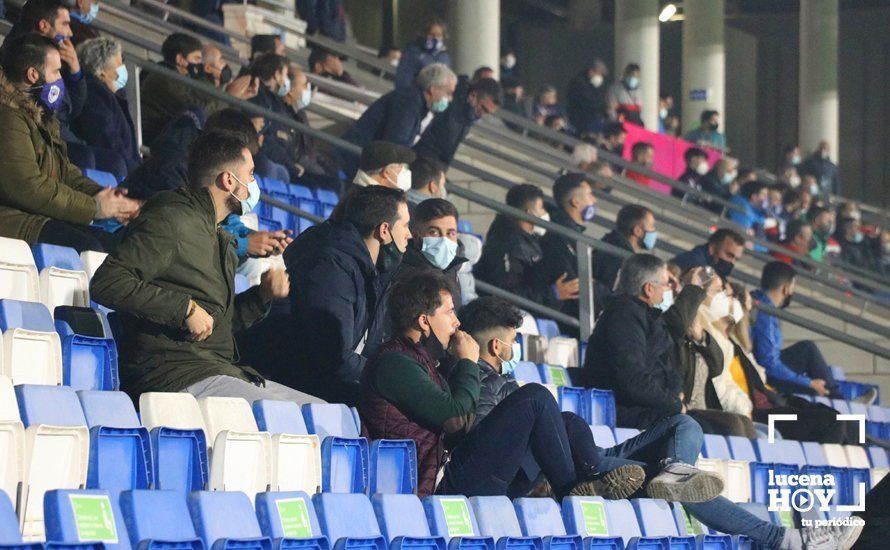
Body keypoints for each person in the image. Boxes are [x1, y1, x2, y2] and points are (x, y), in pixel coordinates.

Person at [90, 130, 321, 404]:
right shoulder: (172, 220)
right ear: (227, 180)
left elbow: (216, 325)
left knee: (325, 416)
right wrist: (183, 309)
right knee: (291, 419)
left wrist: (262, 296)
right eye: (250, 175)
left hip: (215, 368)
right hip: (173, 374)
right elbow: (107, 282)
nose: (253, 184)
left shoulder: (217, 234)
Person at [0, 33, 138, 252]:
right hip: (15, 221)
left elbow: (66, 172)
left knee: (117, 247)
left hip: (41, 215)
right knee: (91, 248)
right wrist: (93, 208)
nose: (60, 80)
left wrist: (104, 197)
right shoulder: (7, 118)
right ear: (33, 75)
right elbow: (27, 186)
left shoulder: (41, 117)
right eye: (55, 71)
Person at [282, 186, 411, 405]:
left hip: (322, 385)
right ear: (384, 230)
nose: (409, 234)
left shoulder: (370, 271)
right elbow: (335, 356)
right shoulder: (332, 267)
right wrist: (390, 379)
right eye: (406, 225)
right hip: (299, 383)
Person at [724, 282, 860, 445]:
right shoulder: (723, 345)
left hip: (774, 400)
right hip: (762, 413)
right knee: (832, 422)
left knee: (852, 425)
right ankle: (822, 469)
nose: (752, 315)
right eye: (749, 309)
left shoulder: (743, 349)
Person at [584, 254, 706, 429]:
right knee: (697, 427)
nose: (668, 291)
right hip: (623, 411)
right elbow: (632, 379)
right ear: (649, 289)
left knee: (732, 425)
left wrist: (676, 395)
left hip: (650, 408)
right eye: (665, 284)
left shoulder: (646, 317)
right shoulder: (624, 316)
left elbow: (667, 366)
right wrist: (674, 403)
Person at [750, 262, 858, 402]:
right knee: (808, 351)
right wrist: (809, 383)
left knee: (807, 353)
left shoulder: (758, 299)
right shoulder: (765, 313)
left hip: (763, 370)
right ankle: (840, 401)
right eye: (793, 286)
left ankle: (841, 397)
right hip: (765, 378)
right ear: (786, 289)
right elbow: (769, 363)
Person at [140, 33, 256, 147]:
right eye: (196, 59)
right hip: (154, 136)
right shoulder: (165, 79)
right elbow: (199, 111)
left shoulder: (182, 78)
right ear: (180, 59)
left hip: (168, 133)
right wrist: (228, 97)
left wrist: (231, 98)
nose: (200, 64)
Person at [475, 184, 579, 310]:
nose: (545, 214)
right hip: (508, 311)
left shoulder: (528, 238)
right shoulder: (507, 243)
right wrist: (553, 294)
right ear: (529, 213)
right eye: (541, 208)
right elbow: (508, 294)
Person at [680, 276, 757, 438]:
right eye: (719, 291)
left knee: (765, 432)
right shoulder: (697, 326)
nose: (727, 299)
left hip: (741, 406)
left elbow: (720, 370)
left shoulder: (717, 338)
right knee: (740, 426)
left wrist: (746, 406)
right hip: (693, 406)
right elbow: (718, 381)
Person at [343, 63, 457, 155]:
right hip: (356, 159)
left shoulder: (420, 105)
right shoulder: (408, 102)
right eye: (448, 93)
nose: (450, 99)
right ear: (433, 89)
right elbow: (396, 143)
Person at [74, 37, 140, 177]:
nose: (123, 68)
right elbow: (108, 139)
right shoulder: (95, 93)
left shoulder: (110, 95)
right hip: (120, 170)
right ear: (102, 72)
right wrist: (137, 174)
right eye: (119, 64)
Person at [539, 173, 597, 333]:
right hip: (568, 321)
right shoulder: (560, 236)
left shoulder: (572, 234)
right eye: (590, 195)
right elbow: (575, 284)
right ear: (575, 201)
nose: (594, 200)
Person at [413, 77, 501, 165]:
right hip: (418, 157)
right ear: (473, 95)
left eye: (487, 112)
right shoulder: (449, 103)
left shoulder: (468, 115)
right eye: (483, 108)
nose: (482, 114)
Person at [396, 198, 467, 307]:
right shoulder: (403, 278)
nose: (444, 240)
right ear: (415, 235)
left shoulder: (453, 270)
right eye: (434, 232)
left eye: (450, 233)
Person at [249, 53, 303, 182]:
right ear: (277, 75)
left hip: (264, 153)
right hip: (253, 151)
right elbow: (265, 139)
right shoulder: (257, 95)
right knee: (273, 170)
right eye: (285, 75)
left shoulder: (272, 100)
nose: (286, 81)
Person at [593, 204, 657, 292]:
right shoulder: (621, 258)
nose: (654, 231)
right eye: (652, 226)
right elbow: (609, 294)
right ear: (637, 231)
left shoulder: (610, 242)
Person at [395, 18, 451, 89]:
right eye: (432, 35)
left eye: (438, 35)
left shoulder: (444, 57)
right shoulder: (412, 53)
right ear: (424, 34)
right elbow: (403, 80)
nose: (435, 38)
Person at [673, 228, 746, 280]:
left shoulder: (711, 266)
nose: (732, 262)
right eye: (729, 255)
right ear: (712, 248)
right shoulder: (695, 265)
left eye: (736, 259)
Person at [350, 141, 415, 192]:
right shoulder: (372, 201)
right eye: (403, 166)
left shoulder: (358, 190)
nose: (406, 171)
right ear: (386, 172)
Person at [567, 59, 609, 136]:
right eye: (599, 74)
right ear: (591, 71)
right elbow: (587, 102)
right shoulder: (579, 83)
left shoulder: (593, 85)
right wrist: (604, 106)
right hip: (581, 120)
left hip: (593, 119)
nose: (600, 77)